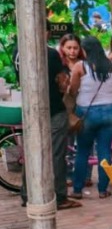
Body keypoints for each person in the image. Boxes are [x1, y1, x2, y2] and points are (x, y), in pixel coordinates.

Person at [19, 37, 81, 209]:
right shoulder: (51, 54)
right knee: (56, 154)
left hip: (31, 111)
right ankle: (60, 196)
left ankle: (26, 194)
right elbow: (62, 82)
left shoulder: (19, 52)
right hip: (53, 109)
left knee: (31, 154)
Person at [69, 35, 112, 199]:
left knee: (83, 151)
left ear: (85, 50)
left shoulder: (80, 67)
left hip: (87, 112)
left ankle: (77, 189)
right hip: (109, 112)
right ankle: (103, 189)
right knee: (104, 150)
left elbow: (72, 91)